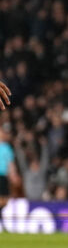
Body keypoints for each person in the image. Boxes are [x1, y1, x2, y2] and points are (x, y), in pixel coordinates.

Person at [0, 80, 12, 208]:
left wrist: (13, 174)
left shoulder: (7, 147)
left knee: (4, 200)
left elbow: (10, 163)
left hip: (3, 175)